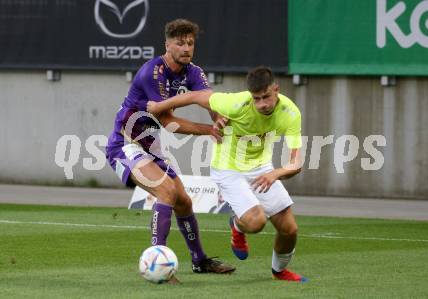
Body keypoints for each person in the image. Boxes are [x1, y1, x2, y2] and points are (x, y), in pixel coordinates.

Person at [147, 66, 309, 282]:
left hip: (262, 168)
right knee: (255, 222)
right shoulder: (236, 103)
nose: (262, 104)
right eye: (257, 99)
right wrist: (159, 106)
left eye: (266, 97)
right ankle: (237, 225)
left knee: (289, 230)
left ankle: (279, 271)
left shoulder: (290, 113)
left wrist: (275, 174)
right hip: (228, 169)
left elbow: (296, 163)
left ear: (276, 89)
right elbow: (196, 96)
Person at [105, 19, 235, 281]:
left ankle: (199, 261)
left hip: (150, 148)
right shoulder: (153, 72)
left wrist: (217, 118)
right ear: (167, 45)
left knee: (184, 201)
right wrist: (209, 130)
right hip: (125, 145)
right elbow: (169, 123)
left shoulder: (194, 72)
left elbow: (208, 100)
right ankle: (157, 262)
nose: (186, 48)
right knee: (165, 191)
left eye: (190, 43)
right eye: (180, 42)